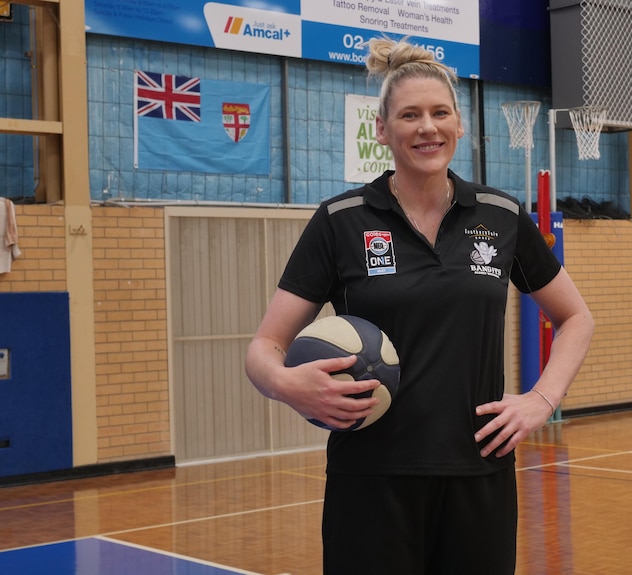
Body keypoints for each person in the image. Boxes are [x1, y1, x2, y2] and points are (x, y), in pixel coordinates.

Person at [245, 37, 594, 575]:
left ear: (459, 126)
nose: (426, 127)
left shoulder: (501, 215)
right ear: (382, 130)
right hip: (370, 481)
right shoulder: (341, 220)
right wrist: (287, 384)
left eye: (439, 113)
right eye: (409, 115)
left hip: (479, 474)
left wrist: (542, 399)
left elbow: (576, 318)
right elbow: (264, 347)